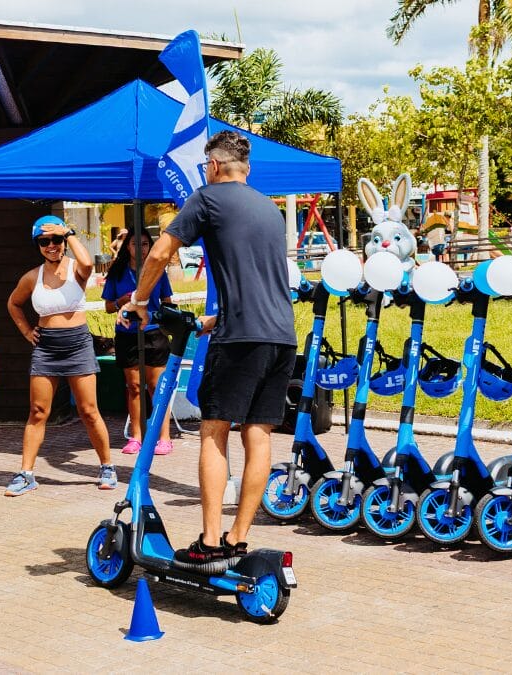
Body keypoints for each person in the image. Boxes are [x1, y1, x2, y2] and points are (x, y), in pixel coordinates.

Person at [119, 130, 296, 570]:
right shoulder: (269, 210)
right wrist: (211, 320)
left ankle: (211, 541)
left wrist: (139, 301)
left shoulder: (207, 197)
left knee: (213, 430)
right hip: (281, 336)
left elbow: (160, 253)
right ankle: (238, 540)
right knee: (259, 434)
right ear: (246, 168)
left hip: (241, 340)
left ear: (213, 167)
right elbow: (261, 283)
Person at [4, 215, 116, 494]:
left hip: (77, 342)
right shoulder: (32, 277)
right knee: (38, 411)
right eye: (45, 241)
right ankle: (26, 474)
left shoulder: (77, 268)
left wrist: (69, 232)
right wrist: (27, 332)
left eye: (56, 240)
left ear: (64, 242)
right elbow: (13, 304)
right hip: (47, 347)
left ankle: (107, 466)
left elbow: (89, 264)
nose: (51, 245)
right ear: (38, 245)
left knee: (89, 410)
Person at [101, 228, 175, 456]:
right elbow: (107, 306)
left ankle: (164, 437)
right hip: (126, 333)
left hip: (153, 332)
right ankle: (136, 436)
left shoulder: (158, 271)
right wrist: (122, 301)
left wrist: (165, 321)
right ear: (128, 247)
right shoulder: (118, 272)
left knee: (156, 386)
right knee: (133, 387)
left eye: (144, 244)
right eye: (135, 244)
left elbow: (167, 302)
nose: (140, 248)